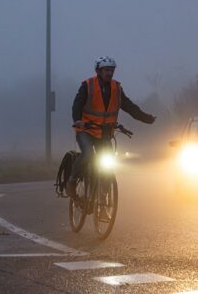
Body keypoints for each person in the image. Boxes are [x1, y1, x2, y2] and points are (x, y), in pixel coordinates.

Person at [66, 56, 156, 198]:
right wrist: (78, 120)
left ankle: (104, 196)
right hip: (86, 130)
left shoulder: (117, 89)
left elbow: (129, 106)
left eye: (111, 70)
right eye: (106, 70)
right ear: (98, 71)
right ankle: (72, 181)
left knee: (108, 161)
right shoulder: (88, 86)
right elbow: (77, 105)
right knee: (88, 154)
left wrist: (146, 118)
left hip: (104, 132)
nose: (109, 73)